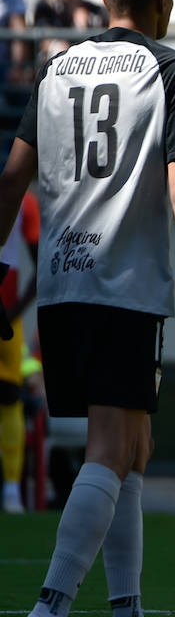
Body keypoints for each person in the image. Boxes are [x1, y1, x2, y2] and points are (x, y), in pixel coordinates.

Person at [1, 0, 175, 617]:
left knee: (133, 449)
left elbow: (12, 177)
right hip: (124, 286)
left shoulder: (54, 68)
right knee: (114, 447)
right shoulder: (173, 70)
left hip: (66, 283)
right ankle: (50, 610)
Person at [0, 188, 38, 514]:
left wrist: (13, 312)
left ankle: (11, 488)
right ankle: (10, 489)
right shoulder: (24, 198)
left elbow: (43, 268)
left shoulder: (24, 200)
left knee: (9, 395)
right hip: (8, 314)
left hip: (7, 314)